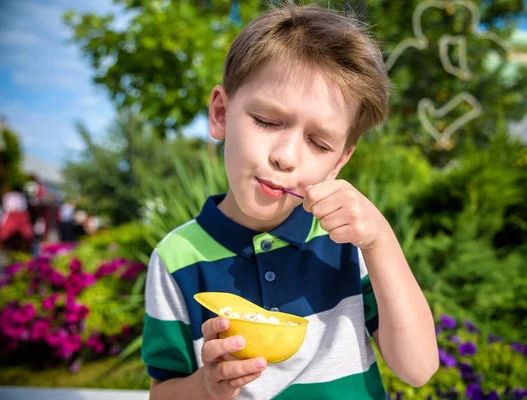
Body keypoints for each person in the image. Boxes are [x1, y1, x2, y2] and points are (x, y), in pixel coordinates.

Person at [143, 3, 439, 399]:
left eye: (318, 143)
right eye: (266, 121)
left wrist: (380, 239)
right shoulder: (176, 259)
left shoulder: (348, 245)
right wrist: (207, 387)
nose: (285, 156)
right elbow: (163, 392)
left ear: (339, 161)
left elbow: (417, 368)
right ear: (220, 114)